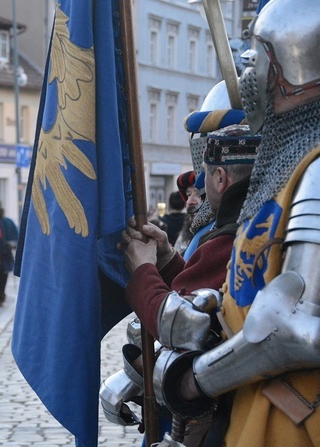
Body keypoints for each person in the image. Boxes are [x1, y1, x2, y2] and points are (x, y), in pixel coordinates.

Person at [153, 2, 320, 445]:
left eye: (259, 58)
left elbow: (297, 329)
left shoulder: (318, 171)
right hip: (257, 415)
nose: (250, 79)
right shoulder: (291, 168)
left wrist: (195, 381)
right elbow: (251, 290)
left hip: (293, 424)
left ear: (287, 68)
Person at [107, 125, 260, 445]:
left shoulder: (239, 235)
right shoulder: (254, 222)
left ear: (220, 177)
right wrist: (165, 259)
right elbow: (208, 293)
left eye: (205, 178)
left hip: (234, 405)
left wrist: (143, 269)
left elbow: (183, 325)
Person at [0, 201, 18, 306]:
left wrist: (11, 244)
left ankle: (1, 296)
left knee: (3, 276)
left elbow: (15, 237)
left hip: (5, 255)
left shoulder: (8, 222)